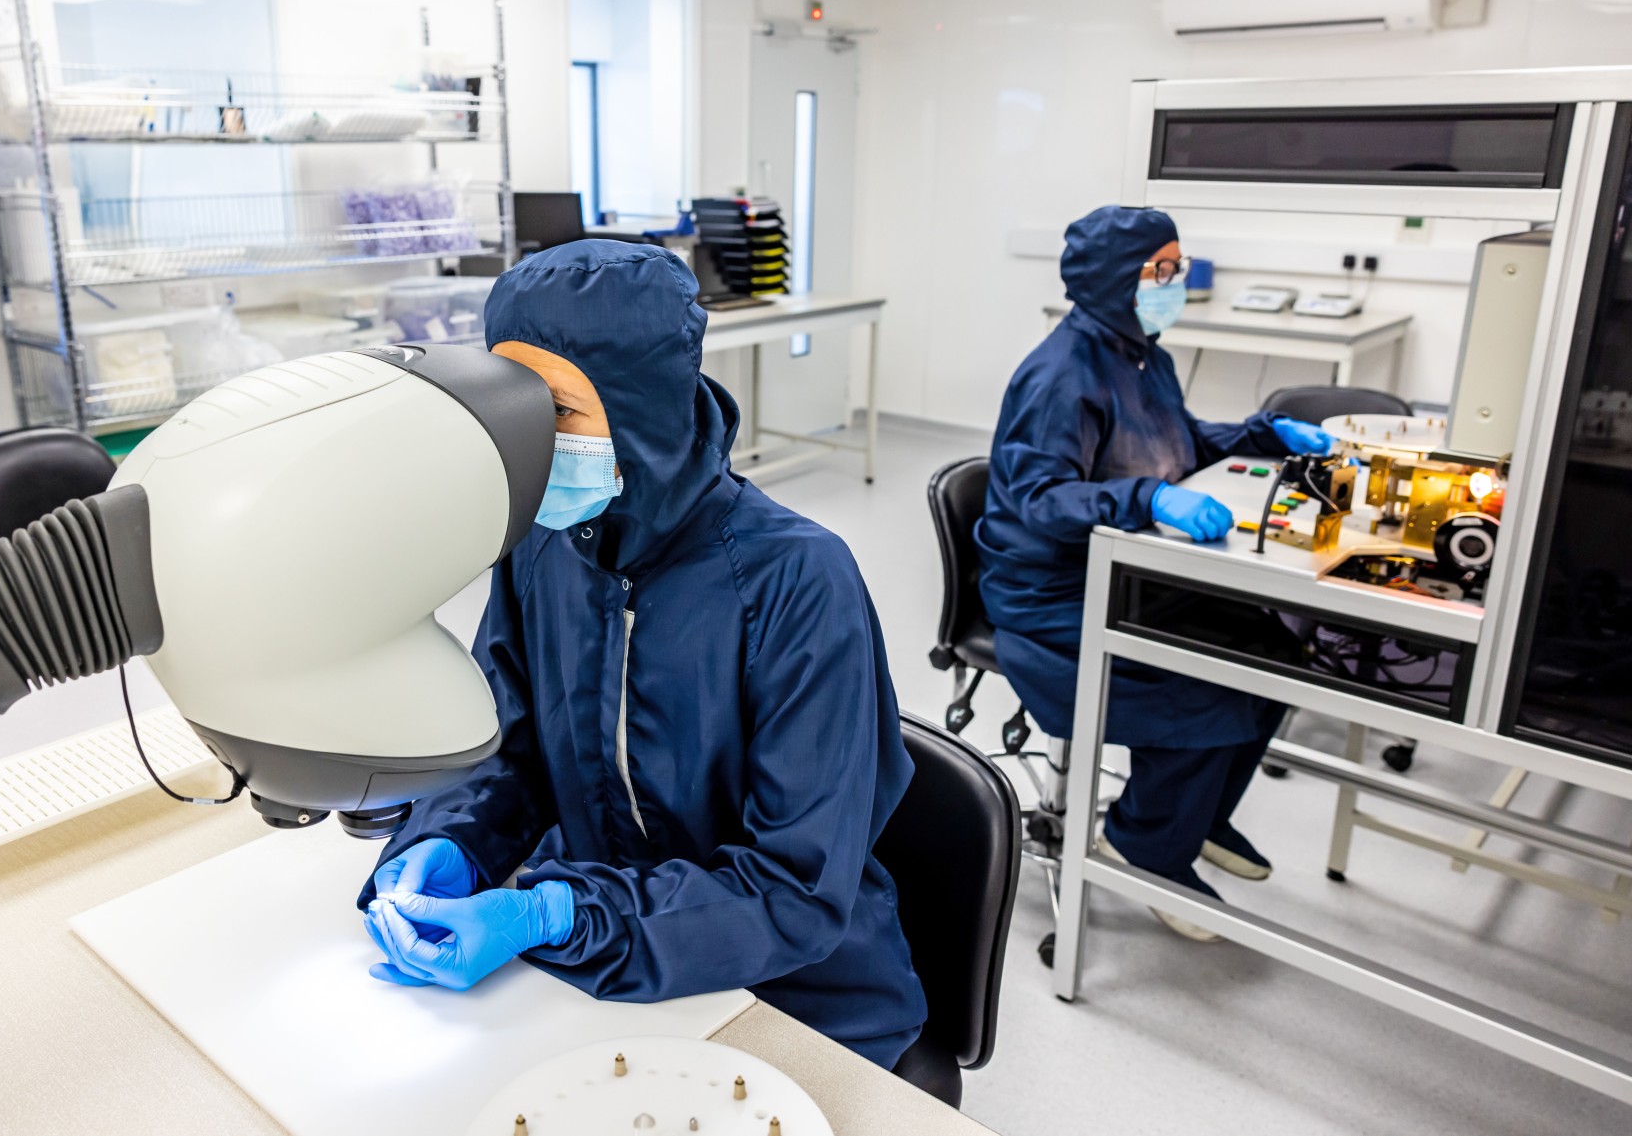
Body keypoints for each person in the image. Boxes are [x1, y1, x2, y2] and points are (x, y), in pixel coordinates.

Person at [358, 239, 927, 1070]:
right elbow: (508, 749)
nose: (527, 438)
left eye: (556, 409)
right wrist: (448, 840)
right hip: (608, 964)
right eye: (509, 402)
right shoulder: (543, 546)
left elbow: (794, 892)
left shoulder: (798, 580)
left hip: (792, 994)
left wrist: (559, 914)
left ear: (643, 406)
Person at [974, 204, 1332, 942]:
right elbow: (1038, 503)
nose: (1174, 282)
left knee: (1275, 654)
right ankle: (1144, 844)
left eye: (1178, 268)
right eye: (1159, 271)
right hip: (1052, 598)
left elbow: (1184, 440)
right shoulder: (1058, 376)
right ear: (1113, 278)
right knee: (1210, 685)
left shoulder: (1146, 354)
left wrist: (1261, 434)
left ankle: (1197, 820)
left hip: (1129, 576)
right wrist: (1149, 496)